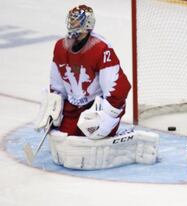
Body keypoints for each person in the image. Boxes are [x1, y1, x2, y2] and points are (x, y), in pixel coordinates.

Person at [36, 4, 131, 140]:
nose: (72, 23)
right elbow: (57, 85)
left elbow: (117, 87)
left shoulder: (101, 48)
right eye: (71, 20)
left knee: (93, 135)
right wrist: (54, 105)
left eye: (76, 20)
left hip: (95, 107)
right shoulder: (60, 47)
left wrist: (107, 115)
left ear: (87, 24)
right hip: (73, 109)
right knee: (65, 138)